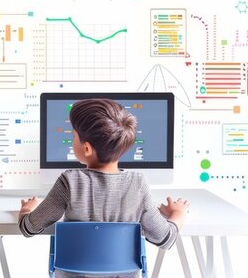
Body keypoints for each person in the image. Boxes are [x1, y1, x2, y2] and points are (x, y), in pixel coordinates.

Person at [19, 98, 188, 277]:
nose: (72, 140)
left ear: (86, 148)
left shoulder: (69, 182)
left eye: (73, 136)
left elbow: (29, 228)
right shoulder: (138, 183)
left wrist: (26, 210)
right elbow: (166, 239)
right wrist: (179, 214)